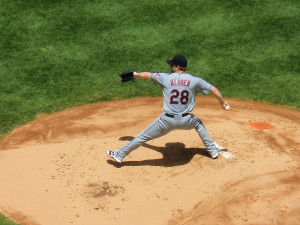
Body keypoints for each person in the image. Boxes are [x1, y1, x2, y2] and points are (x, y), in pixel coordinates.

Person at [107, 55, 230, 163]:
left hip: (166, 121)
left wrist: (135, 74)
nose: (170, 67)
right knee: (198, 124)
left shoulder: (165, 77)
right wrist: (223, 103)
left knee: (142, 137)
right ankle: (213, 151)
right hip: (186, 120)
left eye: (172, 65)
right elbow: (214, 90)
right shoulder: (195, 80)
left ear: (177, 67)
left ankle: (119, 155)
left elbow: (147, 75)